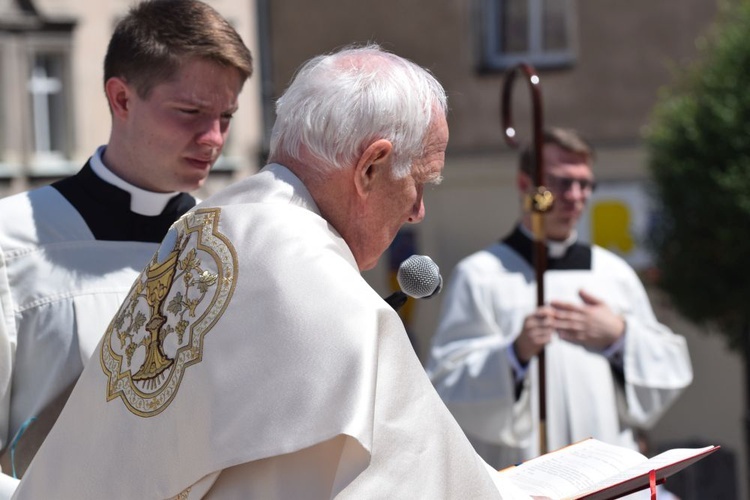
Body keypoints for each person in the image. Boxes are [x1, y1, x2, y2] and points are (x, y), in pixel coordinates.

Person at [11, 44, 531, 499]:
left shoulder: (201, 227)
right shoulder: (333, 300)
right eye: (421, 181)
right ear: (371, 166)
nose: (418, 209)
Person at [0, 0, 253, 495]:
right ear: (121, 99)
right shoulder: (12, 245)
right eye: (190, 113)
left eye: (226, 116)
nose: (213, 138)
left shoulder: (231, 246)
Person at [426, 127, 693, 471]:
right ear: (526, 186)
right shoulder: (481, 275)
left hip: (608, 473)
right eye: (563, 183)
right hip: (525, 475)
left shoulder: (613, 273)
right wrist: (514, 354)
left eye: (585, 184)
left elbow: (668, 370)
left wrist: (619, 336)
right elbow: (447, 385)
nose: (576, 196)